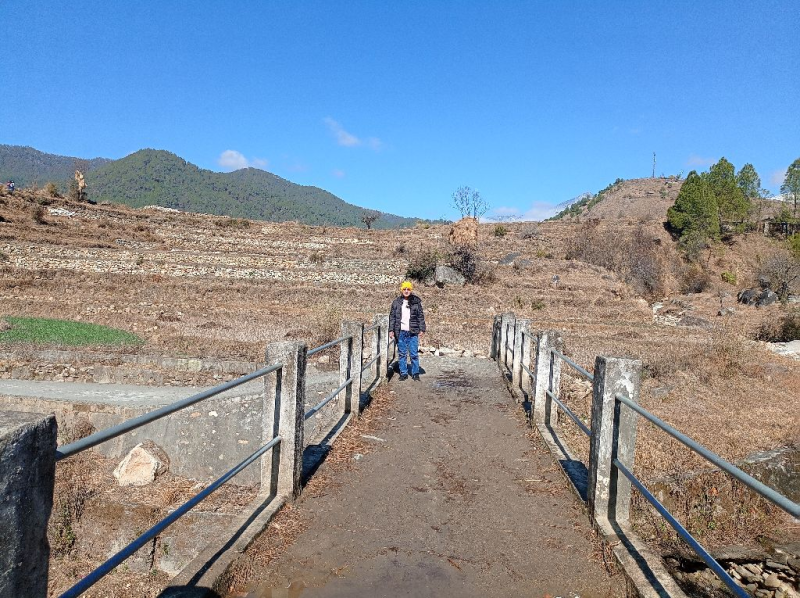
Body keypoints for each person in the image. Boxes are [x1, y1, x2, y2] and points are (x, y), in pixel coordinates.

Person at [389, 280, 426, 381]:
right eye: (404, 289)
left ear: (411, 290)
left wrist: (422, 329)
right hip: (400, 332)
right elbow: (392, 317)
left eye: (408, 289)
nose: (406, 291)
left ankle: (415, 373)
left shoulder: (416, 302)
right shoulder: (396, 302)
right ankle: (403, 373)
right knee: (402, 354)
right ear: (401, 290)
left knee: (414, 354)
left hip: (412, 332)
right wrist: (391, 330)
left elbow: (420, 316)